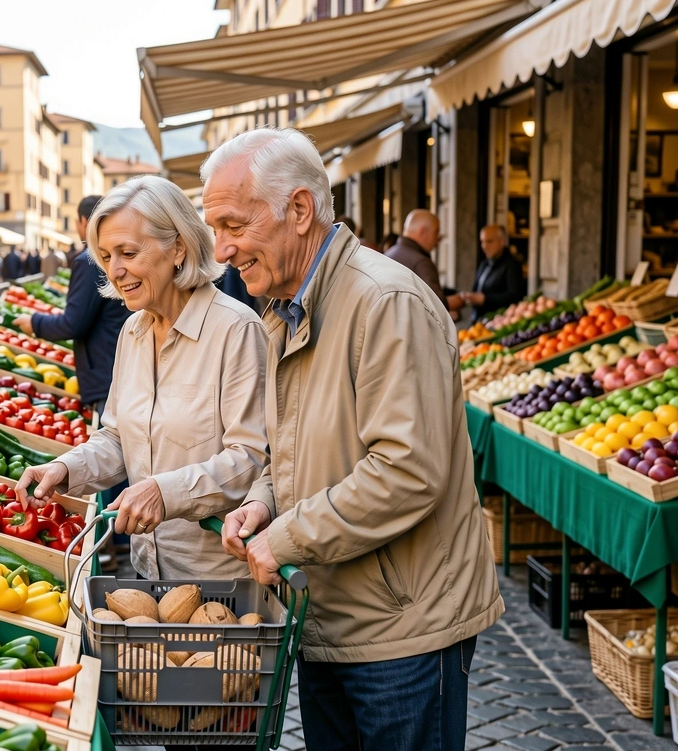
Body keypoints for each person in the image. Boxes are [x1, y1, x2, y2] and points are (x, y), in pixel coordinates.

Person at [206, 129, 501, 751]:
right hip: (331, 614)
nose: (222, 249)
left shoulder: (385, 301)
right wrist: (263, 501)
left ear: (300, 210)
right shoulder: (287, 308)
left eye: (233, 224)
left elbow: (407, 471)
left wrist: (283, 536)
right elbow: (297, 444)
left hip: (403, 628)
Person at [16, 176, 268, 580]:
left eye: (128, 252)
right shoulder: (133, 333)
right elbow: (116, 437)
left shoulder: (236, 330)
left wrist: (164, 492)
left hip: (221, 581)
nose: (116, 270)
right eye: (106, 256)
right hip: (147, 572)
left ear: (179, 248)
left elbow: (252, 460)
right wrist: (66, 469)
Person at [16, 196, 129, 417]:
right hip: (119, 366)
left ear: (85, 222)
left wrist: (35, 323)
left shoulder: (90, 260)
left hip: (105, 372)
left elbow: (73, 323)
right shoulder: (116, 255)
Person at [385, 209, 465, 312]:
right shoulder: (421, 262)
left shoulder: (389, 253)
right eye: (436, 232)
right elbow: (435, 306)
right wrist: (457, 301)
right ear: (424, 232)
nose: (439, 238)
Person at [463, 225, 526, 320]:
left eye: (489, 241)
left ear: (501, 242)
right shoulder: (484, 264)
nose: (484, 246)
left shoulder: (511, 265)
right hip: (478, 320)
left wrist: (485, 299)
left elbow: (514, 296)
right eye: (482, 242)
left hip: (498, 321)